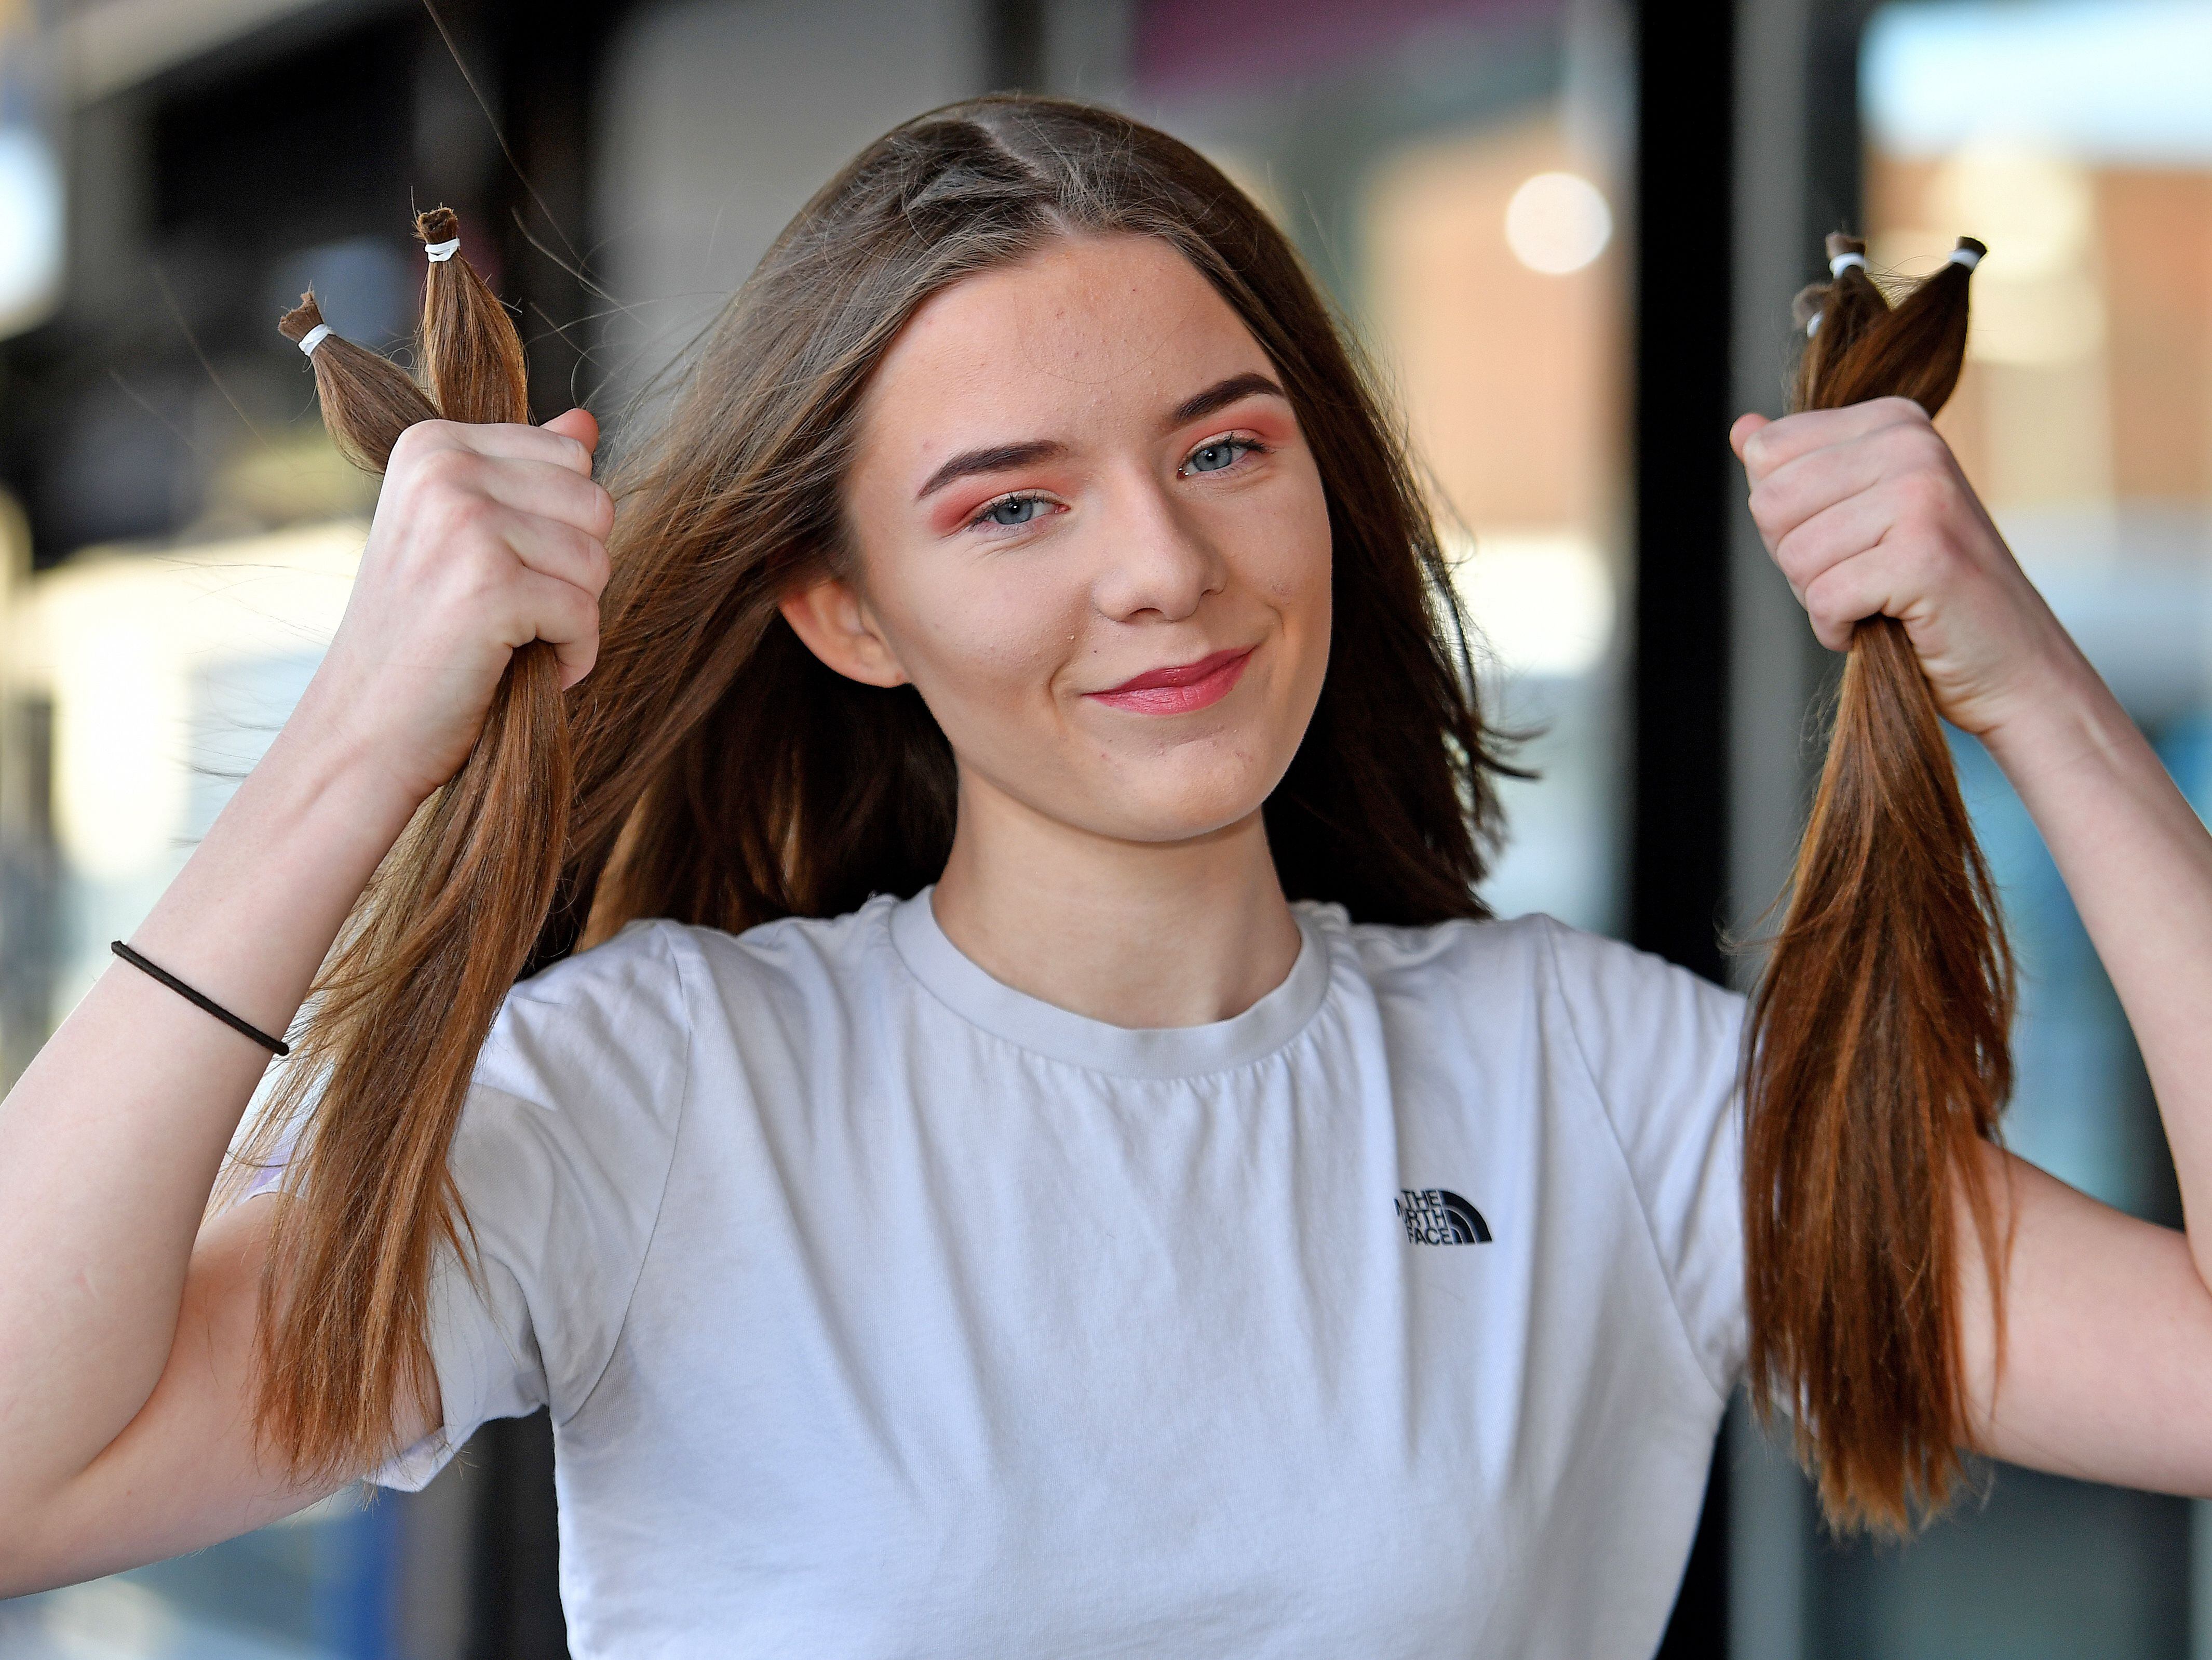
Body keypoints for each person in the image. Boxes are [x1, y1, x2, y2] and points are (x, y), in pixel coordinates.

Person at [4, 95, 2210, 1658]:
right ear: (842, 609)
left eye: (1226, 448)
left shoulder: (1601, 1088)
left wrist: (2039, 691)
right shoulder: (658, 1097)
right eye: (1009, 506)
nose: (1166, 566)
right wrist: (352, 747)